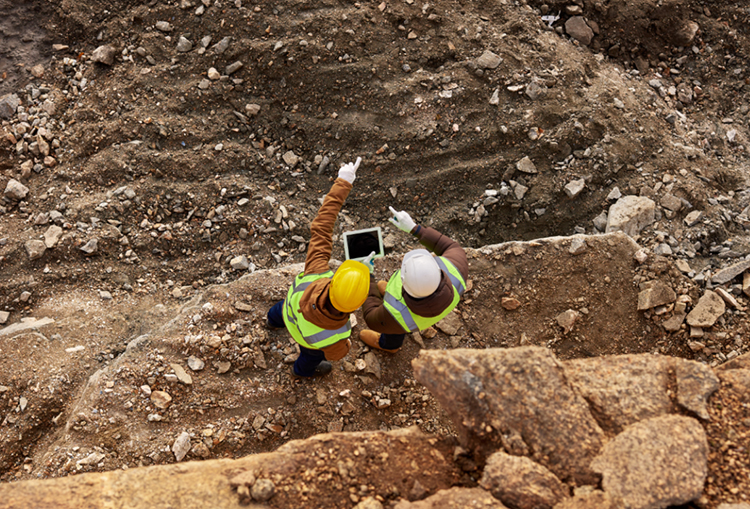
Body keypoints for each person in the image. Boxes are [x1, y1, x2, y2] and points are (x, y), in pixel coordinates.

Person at [267, 157, 370, 378]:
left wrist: (343, 181)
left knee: (278, 311)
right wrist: (348, 346)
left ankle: (272, 322)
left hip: (289, 312)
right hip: (307, 342)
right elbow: (336, 354)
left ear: (334, 280)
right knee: (310, 359)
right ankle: (301, 372)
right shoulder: (339, 332)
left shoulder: (316, 272)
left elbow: (322, 225)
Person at [360, 207, 469, 352]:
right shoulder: (457, 271)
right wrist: (415, 228)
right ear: (437, 269)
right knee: (398, 323)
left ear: (402, 282)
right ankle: (389, 296)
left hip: (402, 320)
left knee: (394, 331)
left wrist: (368, 277)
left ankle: (389, 346)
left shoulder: (395, 314)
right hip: (433, 308)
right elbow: (450, 246)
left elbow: (370, 317)